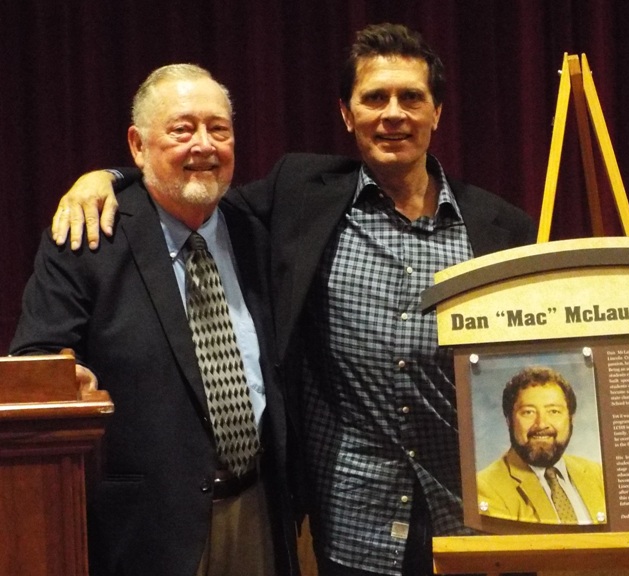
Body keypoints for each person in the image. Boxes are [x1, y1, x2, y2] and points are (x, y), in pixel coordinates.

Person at [51, 24, 537, 576]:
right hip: (353, 525)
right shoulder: (302, 194)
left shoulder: (501, 229)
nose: (393, 114)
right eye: (374, 98)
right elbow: (194, 185)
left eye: (411, 97)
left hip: (475, 518)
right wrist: (108, 177)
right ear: (347, 114)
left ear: (437, 112)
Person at [9, 64, 298, 576]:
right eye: (182, 129)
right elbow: (36, 357)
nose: (204, 144)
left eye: (219, 129)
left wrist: (110, 172)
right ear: (138, 145)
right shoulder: (88, 235)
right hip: (145, 529)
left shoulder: (255, 229)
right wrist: (74, 379)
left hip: (256, 510)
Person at [476, 366, 606, 525]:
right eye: (528, 412)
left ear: (571, 418)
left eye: (554, 411)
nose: (541, 424)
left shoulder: (597, 474)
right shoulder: (485, 488)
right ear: (509, 420)